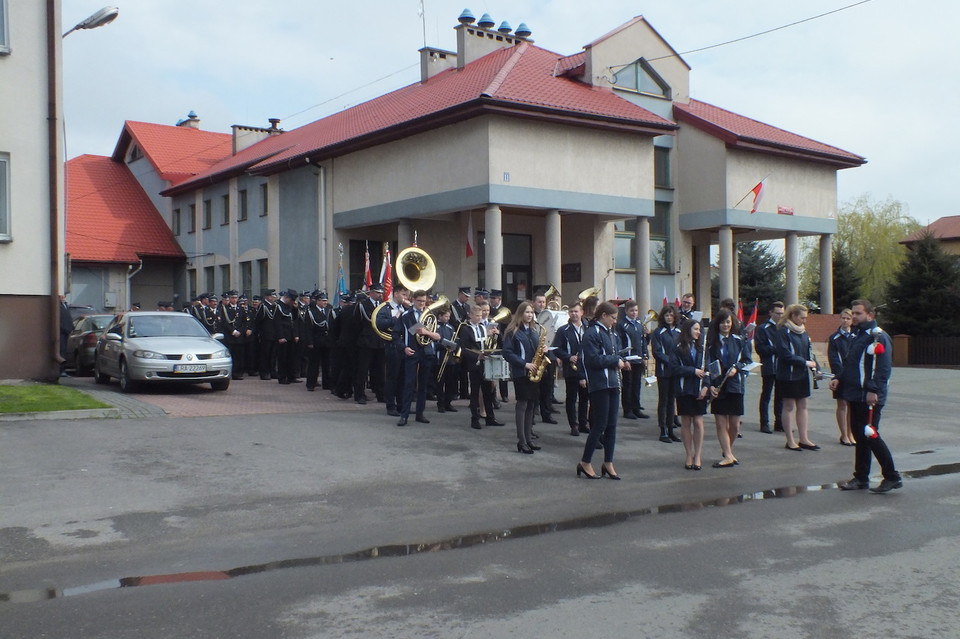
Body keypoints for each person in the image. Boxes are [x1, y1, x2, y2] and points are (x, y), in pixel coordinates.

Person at [832, 299, 902, 493]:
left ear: (870, 315)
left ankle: (892, 476)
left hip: (869, 396)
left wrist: (874, 391)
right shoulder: (858, 335)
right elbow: (852, 364)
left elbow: (882, 368)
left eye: (858, 313)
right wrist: (839, 378)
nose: (854, 316)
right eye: (852, 313)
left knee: (870, 435)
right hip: (855, 393)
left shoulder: (877, 337)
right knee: (860, 436)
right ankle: (861, 478)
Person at [577, 302, 627, 480]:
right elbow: (593, 360)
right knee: (599, 425)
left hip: (613, 382)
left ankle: (608, 462)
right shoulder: (592, 333)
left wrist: (622, 360)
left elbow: (615, 353)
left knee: (612, 425)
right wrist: (615, 360)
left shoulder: (611, 333)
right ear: (603, 315)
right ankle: (585, 461)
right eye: (613, 318)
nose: (614, 322)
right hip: (599, 384)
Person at [706, 309, 752, 467]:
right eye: (722, 322)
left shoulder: (739, 340)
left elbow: (747, 360)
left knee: (734, 424)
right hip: (718, 385)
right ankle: (727, 454)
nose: (725, 325)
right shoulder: (711, 343)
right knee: (720, 422)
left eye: (728, 322)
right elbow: (707, 364)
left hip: (735, 385)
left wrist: (737, 368)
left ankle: (728, 451)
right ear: (717, 324)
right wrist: (710, 384)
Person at [775, 304, 819, 451]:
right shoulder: (783, 331)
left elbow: (808, 352)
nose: (804, 321)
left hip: (801, 374)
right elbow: (784, 354)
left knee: (803, 405)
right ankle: (790, 440)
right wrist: (805, 362)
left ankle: (804, 438)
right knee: (788, 407)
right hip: (787, 375)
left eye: (806, 318)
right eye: (802, 318)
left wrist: (814, 366)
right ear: (793, 316)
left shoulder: (804, 333)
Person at [502, 301, 543, 454]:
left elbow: (536, 350)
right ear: (520, 313)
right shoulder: (513, 331)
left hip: (534, 372)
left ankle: (529, 438)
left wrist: (543, 349)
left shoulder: (533, 331)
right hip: (521, 373)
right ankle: (522, 441)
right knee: (522, 405)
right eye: (527, 312)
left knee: (531, 405)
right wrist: (523, 364)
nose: (530, 315)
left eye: (531, 313)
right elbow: (507, 353)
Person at [396, 289, 441, 426]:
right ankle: (404, 415)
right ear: (413, 300)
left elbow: (438, 336)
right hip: (412, 351)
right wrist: (404, 347)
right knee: (409, 384)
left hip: (426, 352)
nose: (422, 303)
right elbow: (396, 335)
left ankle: (420, 413)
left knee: (423, 385)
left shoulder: (430, 315)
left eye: (424, 301)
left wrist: (425, 331)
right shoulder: (405, 315)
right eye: (419, 301)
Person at [458, 305, 503, 429]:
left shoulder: (483, 327)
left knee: (488, 391)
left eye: (480, 316)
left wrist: (494, 337)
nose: (479, 318)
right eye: (476, 316)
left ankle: (490, 417)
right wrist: (476, 356)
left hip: (485, 362)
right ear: (470, 315)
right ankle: (475, 419)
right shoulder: (466, 329)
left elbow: (486, 342)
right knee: (475, 392)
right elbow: (464, 348)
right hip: (474, 364)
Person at [673, 318, 708, 470]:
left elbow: (709, 368)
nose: (698, 332)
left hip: (699, 389)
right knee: (686, 422)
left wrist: (706, 386)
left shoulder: (703, 348)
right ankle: (689, 454)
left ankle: (698, 455)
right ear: (688, 330)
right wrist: (692, 371)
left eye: (699, 330)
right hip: (684, 389)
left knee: (698, 422)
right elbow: (673, 368)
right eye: (696, 329)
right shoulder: (678, 347)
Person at [552, 301, 589, 436]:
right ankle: (573, 425)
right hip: (571, 369)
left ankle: (583, 423)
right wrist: (568, 357)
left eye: (576, 311)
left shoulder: (588, 327)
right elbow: (556, 349)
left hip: (586, 368)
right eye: (571, 311)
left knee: (585, 398)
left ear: (582, 312)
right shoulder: (563, 330)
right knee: (571, 398)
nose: (574, 314)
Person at [651, 305, 681, 443]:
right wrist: (670, 361)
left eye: (671, 315)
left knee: (671, 401)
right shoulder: (658, 332)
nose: (669, 317)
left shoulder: (679, 332)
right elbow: (657, 352)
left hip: (676, 371)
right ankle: (662, 430)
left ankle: (671, 429)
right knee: (663, 400)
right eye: (666, 315)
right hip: (663, 371)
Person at [755, 301, 784, 433]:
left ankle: (779, 422)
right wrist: (776, 349)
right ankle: (764, 423)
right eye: (777, 313)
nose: (780, 316)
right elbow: (760, 348)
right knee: (766, 395)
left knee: (780, 396)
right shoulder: (763, 328)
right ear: (771, 313)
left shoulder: (783, 327)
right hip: (768, 366)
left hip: (782, 366)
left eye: (782, 314)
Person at [828, 309, 856, 446]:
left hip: (854, 376)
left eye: (848, 318)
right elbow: (834, 359)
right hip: (840, 376)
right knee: (842, 404)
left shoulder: (856, 336)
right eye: (843, 318)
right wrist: (839, 376)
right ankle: (844, 435)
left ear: (852, 320)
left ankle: (851, 434)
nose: (845, 321)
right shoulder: (834, 338)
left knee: (852, 405)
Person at [617, 300, 649, 420]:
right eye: (631, 311)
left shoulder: (639, 323)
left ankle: (636, 407)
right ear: (626, 311)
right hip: (628, 359)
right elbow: (619, 343)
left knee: (637, 384)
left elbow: (643, 341)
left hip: (638, 359)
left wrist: (645, 356)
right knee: (628, 384)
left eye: (636, 310)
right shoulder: (621, 324)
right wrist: (624, 359)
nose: (634, 313)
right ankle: (628, 409)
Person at [532, 292, 559, 425]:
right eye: (539, 302)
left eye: (543, 302)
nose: (542, 304)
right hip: (535, 356)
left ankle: (546, 413)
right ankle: (532, 412)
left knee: (548, 387)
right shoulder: (531, 317)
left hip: (549, 355)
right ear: (534, 303)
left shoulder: (550, 317)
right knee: (534, 386)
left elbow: (554, 336)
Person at [217, 290, 249, 380]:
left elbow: (244, 322)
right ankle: (232, 372)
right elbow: (224, 322)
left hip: (239, 336)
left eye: (235, 298)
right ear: (230, 299)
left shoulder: (241, 309)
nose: (234, 300)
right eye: (232, 298)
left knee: (239, 355)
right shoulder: (225, 309)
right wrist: (233, 331)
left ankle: (238, 372)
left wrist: (240, 331)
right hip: (230, 336)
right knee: (231, 355)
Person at [58, 294, 73, 377]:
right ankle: (61, 370)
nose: (62, 297)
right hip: (62, 332)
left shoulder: (65, 305)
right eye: (60, 296)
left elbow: (68, 317)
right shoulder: (58, 306)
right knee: (61, 350)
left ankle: (63, 370)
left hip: (66, 331)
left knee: (64, 350)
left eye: (63, 295)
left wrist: (71, 327)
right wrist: (63, 328)